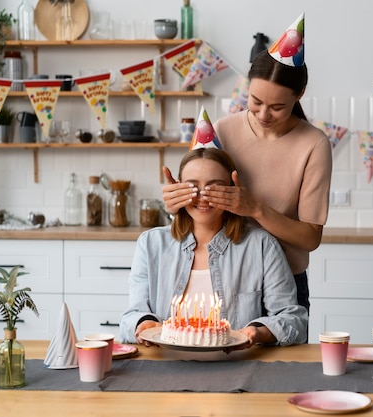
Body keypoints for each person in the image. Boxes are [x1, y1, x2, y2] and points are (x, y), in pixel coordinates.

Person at [162, 14, 332, 313]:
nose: (264, 114)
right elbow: (193, 207)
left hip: (284, 284)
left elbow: (309, 238)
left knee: (285, 361)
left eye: (277, 106)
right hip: (225, 277)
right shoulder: (223, 130)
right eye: (255, 101)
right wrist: (175, 202)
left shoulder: (313, 144)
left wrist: (254, 208)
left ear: (300, 95)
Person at [120, 147, 308, 348]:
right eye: (192, 187)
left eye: (215, 188)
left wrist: (258, 331)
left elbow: (294, 321)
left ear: (233, 189)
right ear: (178, 190)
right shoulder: (151, 244)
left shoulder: (262, 246)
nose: (202, 196)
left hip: (237, 366)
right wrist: (142, 324)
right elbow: (131, 317)